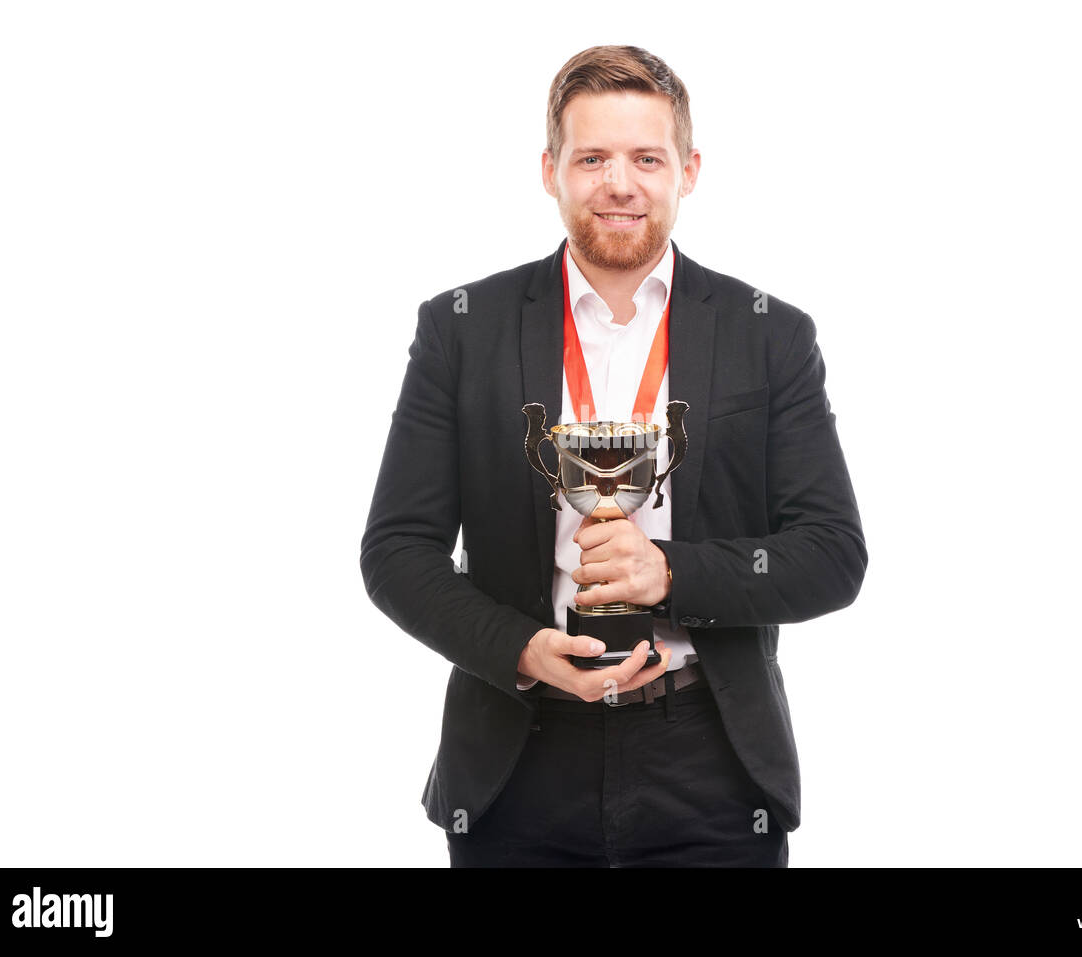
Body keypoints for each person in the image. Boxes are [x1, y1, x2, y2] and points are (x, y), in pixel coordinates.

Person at [360, 45, 867, 867]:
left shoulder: (769, 334)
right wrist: (518, 649)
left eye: (646, 158)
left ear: (689, 170)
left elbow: (833, 555)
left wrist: (668, 572)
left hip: (712, 767)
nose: (619, 183)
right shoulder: (462, 328)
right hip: (517, 759)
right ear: (550, 170)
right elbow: (395, 552)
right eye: (591, 157)